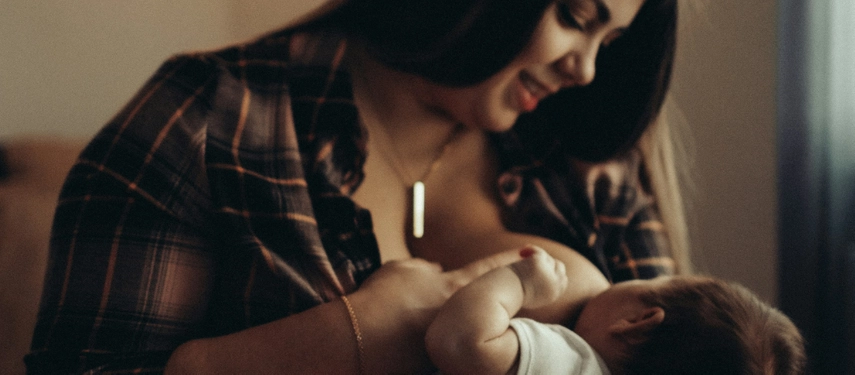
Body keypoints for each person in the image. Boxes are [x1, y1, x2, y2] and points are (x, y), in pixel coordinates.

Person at [27, 0, 685, 373]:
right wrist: (351, 337)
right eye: (575, 15)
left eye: (611, 38)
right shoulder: (205, 121)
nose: (586, 69)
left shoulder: (589, 167)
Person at [427, 247, 807, 375]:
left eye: (655, 282)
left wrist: (518, 281)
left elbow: (460, 342)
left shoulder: (571, 364)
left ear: (637, 324)